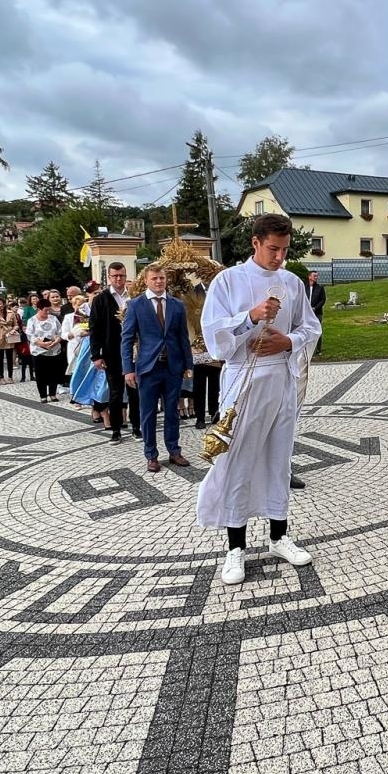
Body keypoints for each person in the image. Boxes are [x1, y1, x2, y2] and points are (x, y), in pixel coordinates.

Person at [196, 214, 322, 586]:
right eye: (273, 249)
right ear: (255, 243)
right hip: (243, 379)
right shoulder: (229, 281)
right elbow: (213, 335)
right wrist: (249, 317)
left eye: (284, 250)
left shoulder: (292, 283)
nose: (279, 257)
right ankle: (235, 546)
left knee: (278, 458)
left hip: (280, 377)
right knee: (238, 459)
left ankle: (279, 535)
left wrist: (289, 341)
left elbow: (310, 326)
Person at [122, 262, 194, 473]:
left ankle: (174, 450)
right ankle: (151, 455)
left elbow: (182, 337)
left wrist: (188, 364)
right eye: (154, 278)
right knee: (148, 413)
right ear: (146, 281)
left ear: (166, 279)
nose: (159, 281)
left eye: (162, 278)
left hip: (172, 367)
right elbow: (126, 339)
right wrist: (128, 369)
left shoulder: (176, 305)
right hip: (147, 368)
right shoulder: (135, 305)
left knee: (172, 411)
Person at [89, 263, 138, 442]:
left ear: (126, 276)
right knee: (116, 392)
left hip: (134, 350)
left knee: (135, 391)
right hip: (112, 351)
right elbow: (94, 328)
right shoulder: (101, 299)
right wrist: (96, 355)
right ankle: (116, 430)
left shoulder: (134, 296)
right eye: (115, 276)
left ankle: (137, 427)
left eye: (122, 276)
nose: (118, 279)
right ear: (109, 277)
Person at [24, 299, 65, 402]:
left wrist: (57, 340)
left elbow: (60, 331)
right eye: (45, 310)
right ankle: (43, 395)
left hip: (54, 349)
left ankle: (52, 394)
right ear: (39, 309)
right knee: (40, 373)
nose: (47, 312)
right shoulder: (32, 320)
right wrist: (40, 343)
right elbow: (30, 335)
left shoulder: (53, 318)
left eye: (49, 310)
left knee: (53, 373)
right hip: (39, 351)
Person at [306, 271, 327, 356]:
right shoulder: (304, 287)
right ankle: (307, 348)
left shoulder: (320, 288)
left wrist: (315, 308)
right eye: (314, 276)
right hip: (306, 312)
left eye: (317, 276)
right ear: (309, 277)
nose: (316, 277)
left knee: (317, 330)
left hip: (317, 312)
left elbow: (323, 299)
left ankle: (318, 349)